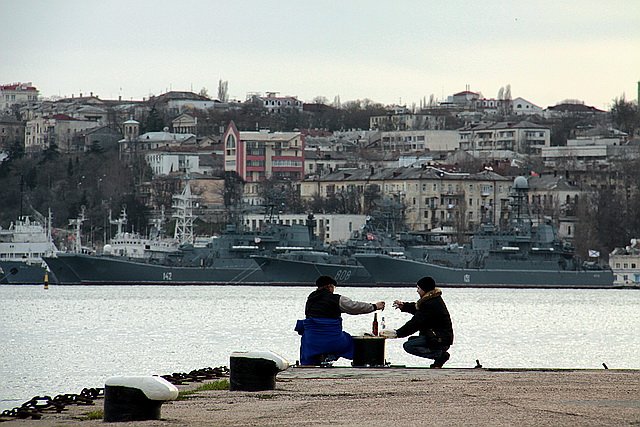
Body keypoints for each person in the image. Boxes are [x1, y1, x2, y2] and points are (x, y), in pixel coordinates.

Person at [295, 275, 385, 365]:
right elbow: (354, 307)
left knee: (306, 341)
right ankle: (358, 363)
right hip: (333, 340)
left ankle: (309, 364)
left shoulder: (310, 299)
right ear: (329, 286)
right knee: (353, 343)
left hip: (311, 342)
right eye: (333, 287)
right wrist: (374, 306)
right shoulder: (336, 299)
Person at [381, 276, 453, 368]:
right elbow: (418, 309)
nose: (417, 291)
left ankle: (439, 355)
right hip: (439, 337)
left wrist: (397, 333)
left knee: (409, 345)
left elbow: (415, 323)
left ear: (424, 289)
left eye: (418, 288)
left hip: (440, 339)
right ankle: (439, 357)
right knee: (412, 340)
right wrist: (404, 306)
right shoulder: (432, 300)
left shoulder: (429, 304)